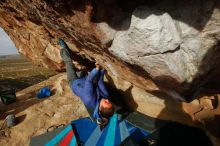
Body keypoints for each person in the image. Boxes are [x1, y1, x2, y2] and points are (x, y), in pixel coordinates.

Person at [58, 38, 114, 128]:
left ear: (100, 108)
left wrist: (96, 70)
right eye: (109, 102)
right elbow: (100, 81)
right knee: (84, 71)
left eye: (106, 103)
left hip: (74, 84)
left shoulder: (89, 99)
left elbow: (89, 81)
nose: (107, 100)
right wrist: (102, 70)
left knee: (69, 63)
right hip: (84, 82)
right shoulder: (105, 95)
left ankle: (63, 48)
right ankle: (82, 71)